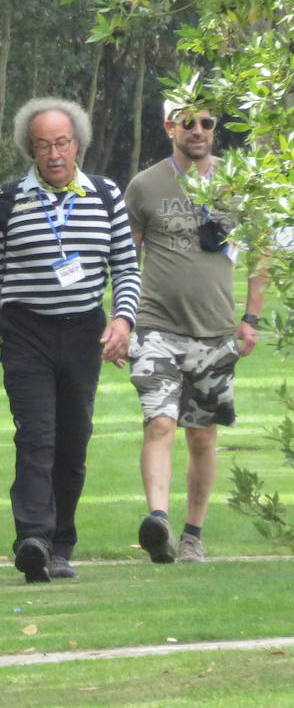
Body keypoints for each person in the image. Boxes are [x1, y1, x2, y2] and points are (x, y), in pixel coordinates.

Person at [0, 97, 140, 583]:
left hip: (84, 329)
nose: (54, 154)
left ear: (77, 144)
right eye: (43, 145)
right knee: (36, 437)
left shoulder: (106, 196)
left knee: (73, 439)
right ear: (31, 150)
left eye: (62, 142)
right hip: (26, 332)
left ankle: (61, 542)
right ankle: (33, 540)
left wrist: (123, 322)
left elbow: (127, 269)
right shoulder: (7, 201)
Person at [125, 99, 265, 564]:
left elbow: (261, 254)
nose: (200, 130)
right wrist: (121, 318)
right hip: (156, 326)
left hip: (215, 331)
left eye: (207, 123)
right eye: (190, 123)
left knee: (202, 436)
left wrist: (251, 318)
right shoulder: (145, 186)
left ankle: (191, 536)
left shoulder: (235, 184)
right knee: (160, 422)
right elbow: (126, 259)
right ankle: (158, 522)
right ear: (170, 127)